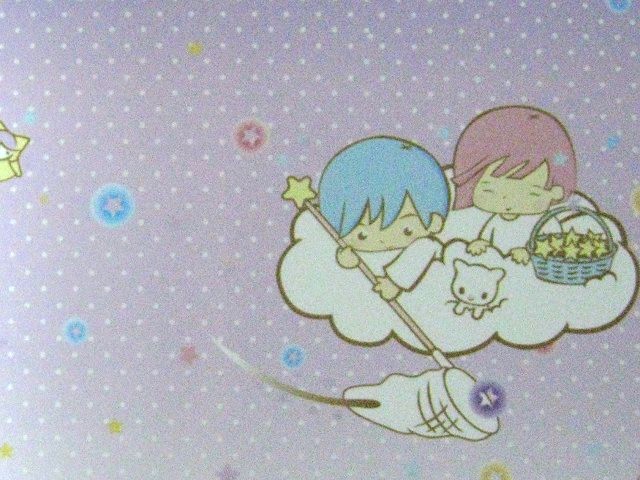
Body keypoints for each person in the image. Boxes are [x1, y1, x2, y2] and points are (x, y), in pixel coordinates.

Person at [318, 136, 450, 300]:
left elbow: (424, 253)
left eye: (407, 230)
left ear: (435, 222)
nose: (384, 241)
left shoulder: (427, 249)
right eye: (362, 235)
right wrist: (346, 262)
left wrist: (396, 284)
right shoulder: (366, 253)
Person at [451, 105, 577, 264]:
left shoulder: (545, 223)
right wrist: (480, 244)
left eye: (532, 193)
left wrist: (529, 252)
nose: (507, 202)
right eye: (489, 191)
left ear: (555, 192)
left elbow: (555, 250)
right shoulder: (496, 221)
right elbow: (488, 241)